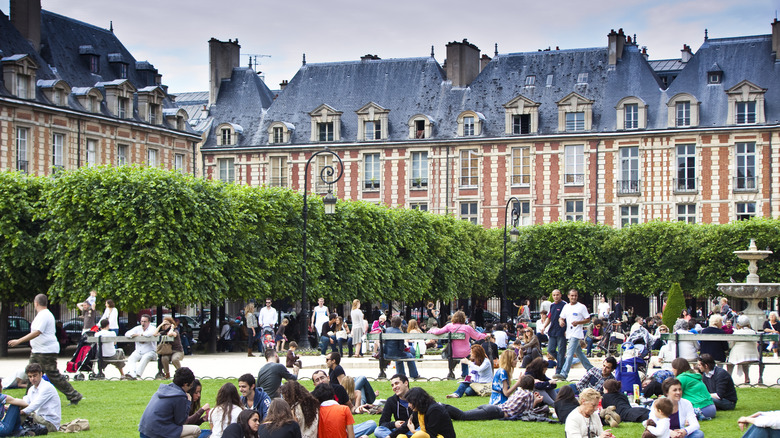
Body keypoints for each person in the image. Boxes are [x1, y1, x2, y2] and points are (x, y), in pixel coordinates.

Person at [7, 294, 82, 405]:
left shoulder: (44, 315)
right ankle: (28, 399)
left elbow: (37, 332)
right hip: (38, 351)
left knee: (53, 375)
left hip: (46, 351)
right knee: (31, 373)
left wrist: (19, 341)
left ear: (36, 303)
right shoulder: (43, 315)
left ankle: (74, 395)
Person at [443, 375, 544, 421]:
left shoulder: (519, 392)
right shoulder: (529, 394)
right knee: (463, 416)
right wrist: (536, 401)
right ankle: (441, 406)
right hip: (495, 411)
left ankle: (442, 410)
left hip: (491, 408)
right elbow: (528, 413)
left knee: (464, 414)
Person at [138, 366, 201, 438]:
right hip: (156, 434)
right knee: (196, 430)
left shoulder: (164, 389)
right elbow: (181, 421)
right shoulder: (179, 396)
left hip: (144, 431)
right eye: (191, 385)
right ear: (185, 384)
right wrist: (188, 402)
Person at [428, 310, 486, 378]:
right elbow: (477, 336)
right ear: (464, 318)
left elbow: (439, 332)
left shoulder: (449, 326)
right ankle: (465, 374)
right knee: (466, 353)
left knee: (456, 355)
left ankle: (451, 371)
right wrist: (485, 336)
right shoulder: (467, 327)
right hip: (465, 353)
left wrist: (431, 331)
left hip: (453, 352)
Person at [556, 289, 593, 380]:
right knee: (579, 353)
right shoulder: (566, 307)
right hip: (569, 333)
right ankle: (590, 369)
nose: (574, 297)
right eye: (572, 296)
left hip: (576, 333)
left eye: (575, 296)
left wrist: (578, 322)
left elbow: (588, 319)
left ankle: (564, 373)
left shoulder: (581, 307)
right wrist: (561, 321)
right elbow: (561, 317)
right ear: (568, 296)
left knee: (569, 353)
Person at [20, 363, 61, 433]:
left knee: (23, 413)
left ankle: (7, 430)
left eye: (34, 376)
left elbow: (34, 405)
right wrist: (10, 407)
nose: (32, 379)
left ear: (41, 374)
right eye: (30, 377)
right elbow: (25, 402)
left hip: (50, 423)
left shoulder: (47, 387)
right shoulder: (31, 389)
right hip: (39, 419)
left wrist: (21, 411)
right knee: (17, 409)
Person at [727, 315, 761, 384]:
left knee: (730, 362)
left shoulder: (736, 332)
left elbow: (731, 345)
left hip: (740, 356)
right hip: (753, 356)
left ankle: (729, 377)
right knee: (744, 360)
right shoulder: (753, 332)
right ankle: (747, 377)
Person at [124, 314, 158, 380]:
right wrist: (135, 335)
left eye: (145, 321)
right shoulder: (138, 328)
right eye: (142, 321)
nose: (143, 323)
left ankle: (138, 375)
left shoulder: (152, 328)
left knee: (145, 358)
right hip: (138, 351)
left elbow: (148, 334)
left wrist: (138, 335)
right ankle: (132, 374)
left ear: (149, 322)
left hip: (150, 351)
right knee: (131, 358)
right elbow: (127, 333)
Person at [542, 289, 567, 376]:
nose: (556, 297)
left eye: (557, 295)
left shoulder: (565, 305)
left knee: (561, 350)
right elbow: (549, 317)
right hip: (553, 330)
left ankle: (559, 370)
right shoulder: (552, 305)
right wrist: (544, 326)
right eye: (554, 295)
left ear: (561, 295)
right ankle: (562, 361)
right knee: (550, 349)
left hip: (561, 330)